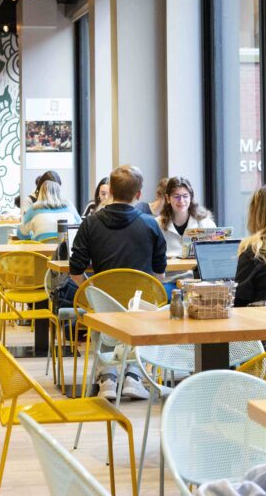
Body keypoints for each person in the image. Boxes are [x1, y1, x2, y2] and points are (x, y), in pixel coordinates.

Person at [67, 165, 167, 400]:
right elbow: (159, 274)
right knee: (146, 310)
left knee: (100, 311)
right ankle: (133, 375)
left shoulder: (90, 223)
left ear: (110, 190)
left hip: (104, 306)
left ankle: (107, 379)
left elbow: (75, 271)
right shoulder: (150, 224)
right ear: (139, 194)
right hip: (139, 305)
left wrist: (93, 292)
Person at [157, 176, 216, 258]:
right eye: (176, 196)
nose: (181, 201)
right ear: (168, 198)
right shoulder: (157, 224)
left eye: (185, 196)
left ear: (191, 197)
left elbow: (215, 252)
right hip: (169, 270)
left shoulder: (205, 222)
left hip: (195, 270)